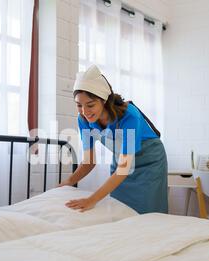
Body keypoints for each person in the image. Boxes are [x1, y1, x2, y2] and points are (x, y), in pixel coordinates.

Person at [58, 65, 168, 214]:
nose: (84, 111)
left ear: (104, 100)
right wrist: (69, 182)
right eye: (79, 105)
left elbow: (124, 169)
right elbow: (89, 161)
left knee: (147, 213)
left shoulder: (129, 116)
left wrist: (92, 200)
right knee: (118, 210)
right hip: (121, 162)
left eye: (90, 105)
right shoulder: (83, 120)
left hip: (149, 162)